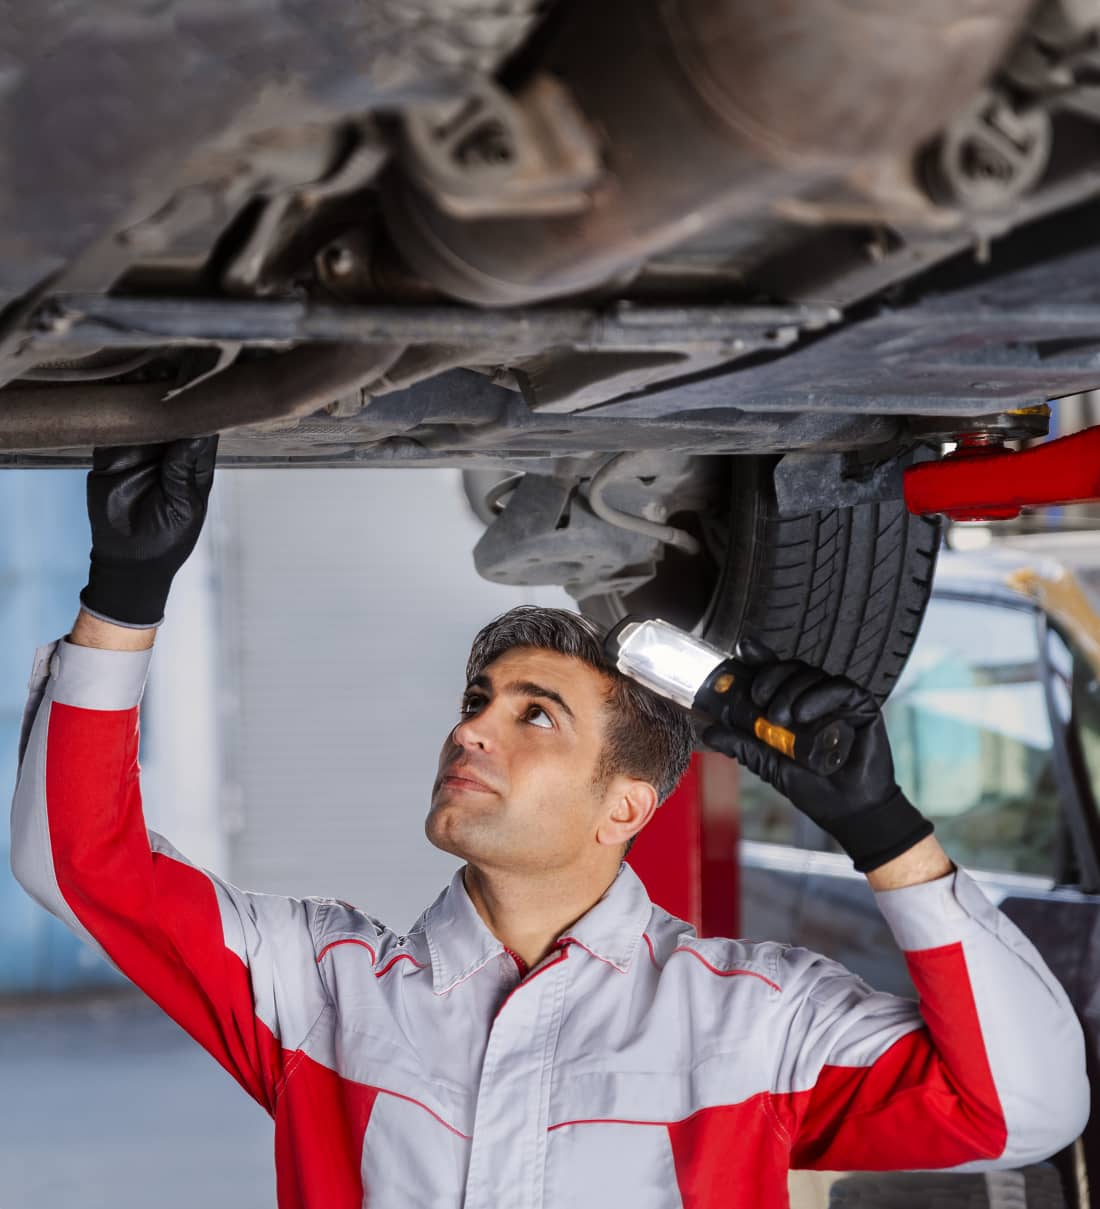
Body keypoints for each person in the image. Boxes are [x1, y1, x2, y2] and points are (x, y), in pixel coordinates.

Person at [10, 440, 1090, 1209]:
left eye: (534, 715)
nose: (472, 730)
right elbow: (78, 864)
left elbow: (1023, 1108)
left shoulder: (754, 1023)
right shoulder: (324, 989)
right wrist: (125, 594)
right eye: (475, 701)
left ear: (626, 805)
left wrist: (886, 833)